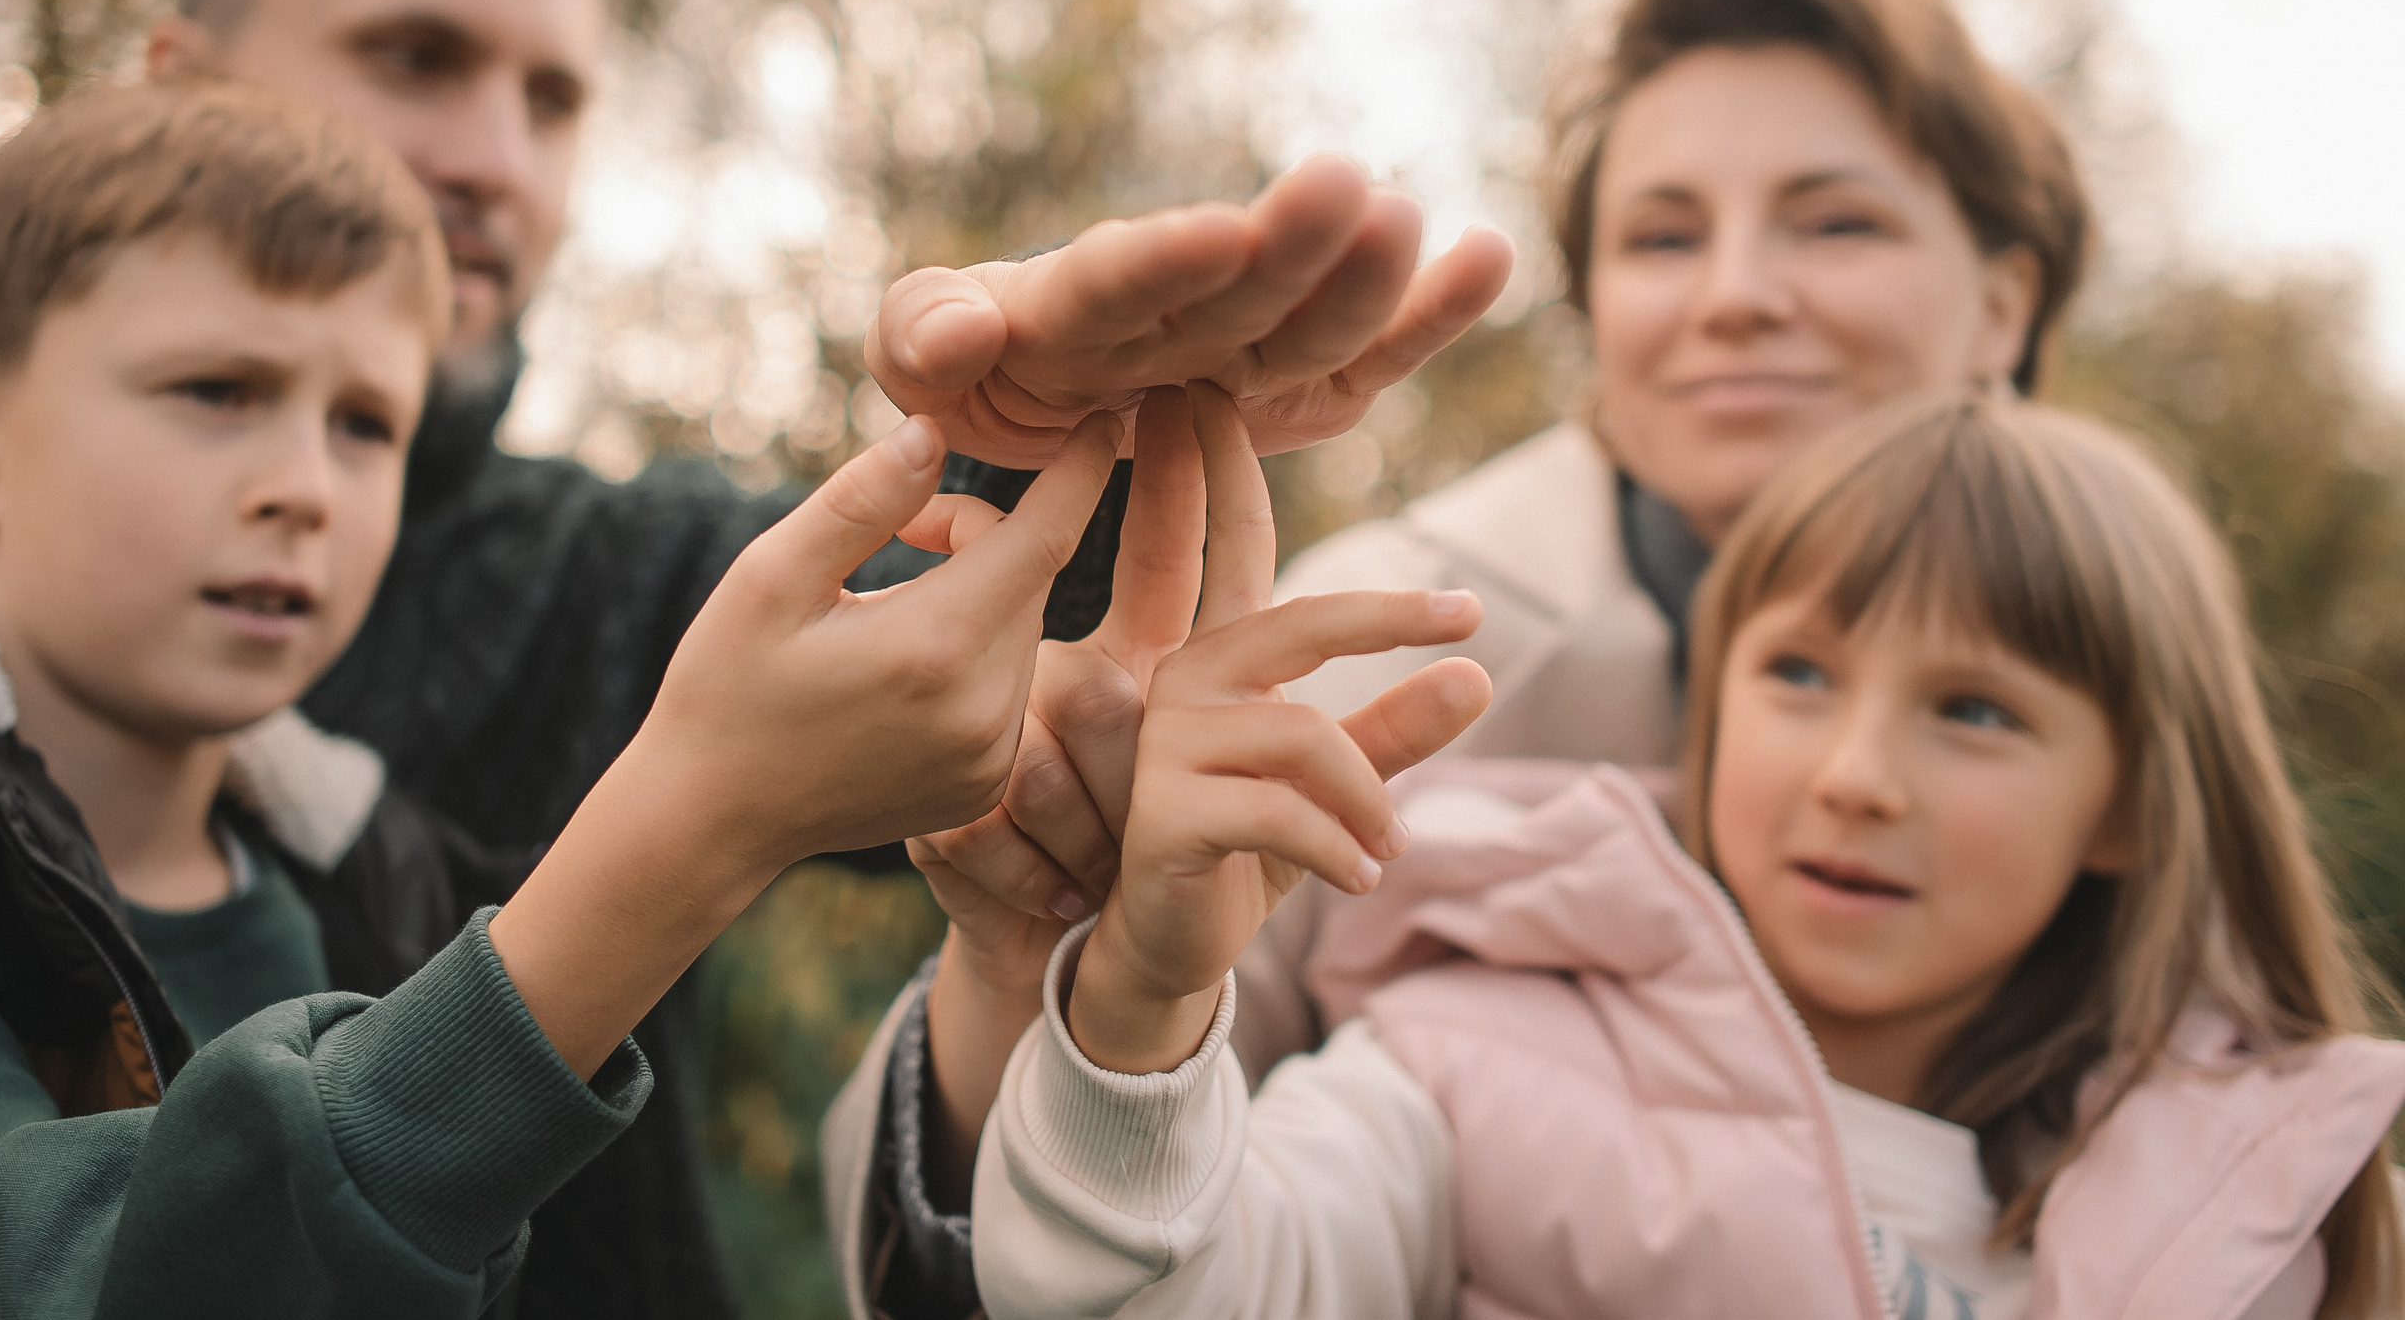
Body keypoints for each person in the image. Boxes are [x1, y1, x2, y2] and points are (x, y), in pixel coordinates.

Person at [0, 81, 1491, 1319]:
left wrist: (1103, 430)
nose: (302, 484)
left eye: (365, 426)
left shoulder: (372, 868)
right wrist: (697, 816)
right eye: (216, 392)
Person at [817, 0, 2103, 1311]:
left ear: (2004, 299)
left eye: (1837, 222)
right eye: (1663, 238)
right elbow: (1096, 1238)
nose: (1736, 295)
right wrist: (1036, 953)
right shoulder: (1383, 635)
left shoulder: (2134, 668)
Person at [927, 394, 2405, 1319]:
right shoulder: (1473, 1060)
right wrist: (1144, 1008)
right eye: (1801, 675)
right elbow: (1141, 1295)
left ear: (2131, 806)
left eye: (1973, 708)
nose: (1855, 776)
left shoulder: (2271, 1191)